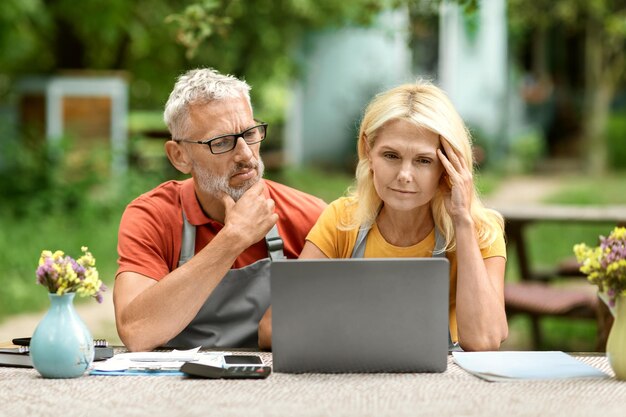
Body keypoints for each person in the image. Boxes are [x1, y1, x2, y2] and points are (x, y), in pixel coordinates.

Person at [261, 81, 508, 351]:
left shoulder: (481, 231)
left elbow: (485, 341)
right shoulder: (342, 221)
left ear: (449, 166)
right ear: (368, 150)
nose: (404, 175)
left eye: (423, 161)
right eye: (391, 155)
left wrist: (462, 220)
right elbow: (273, 329)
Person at [114, 68, 326, 352]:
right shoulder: (154, 216)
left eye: (250, 133)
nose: (246, 155)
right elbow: (138, 332)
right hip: (178, 389)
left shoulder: (311, 216)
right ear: (179, 156)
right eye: (222, 142)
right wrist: (233, 238)